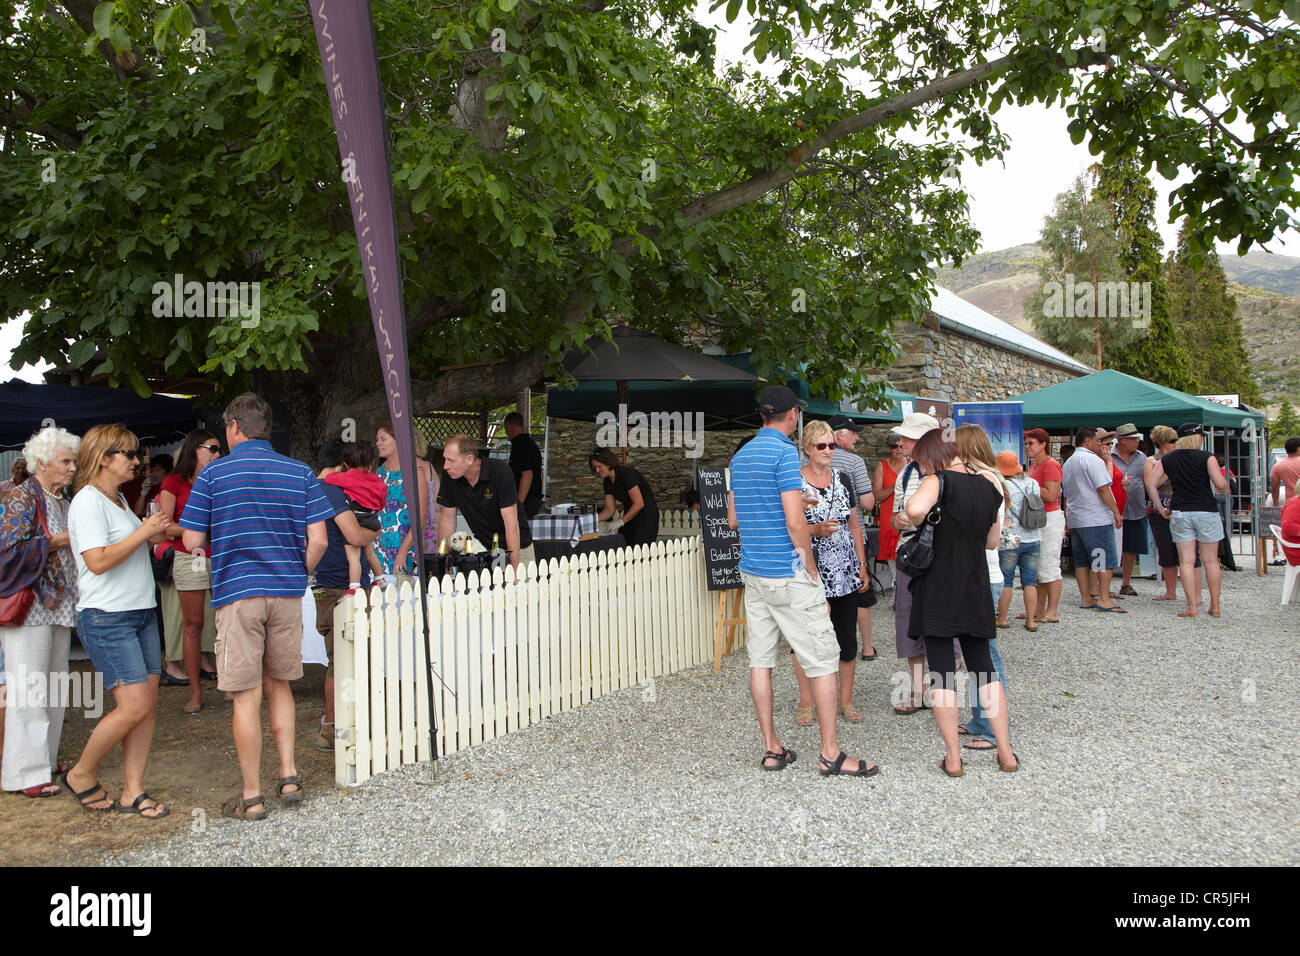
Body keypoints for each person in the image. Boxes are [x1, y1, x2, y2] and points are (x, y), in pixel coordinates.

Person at [180, 393, 332, 821]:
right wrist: (294, 572)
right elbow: (318, 540)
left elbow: (191, 541)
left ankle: (252, 796)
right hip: (286, 592)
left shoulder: (213, 476)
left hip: (238, 594)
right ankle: (289, 777)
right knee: (279, 684)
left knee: (245, 698)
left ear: (234, 428)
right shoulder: (299, 471)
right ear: (266, 428)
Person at [730, 387, 877, 776]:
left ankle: (772, 748)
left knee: (760, 662)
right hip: (788, 572)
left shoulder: (742, 454)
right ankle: (831, 753)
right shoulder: (783, 454)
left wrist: (795, 506)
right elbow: (796, 526)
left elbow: (735, 518)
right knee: (824, 660)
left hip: (753, 572)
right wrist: (810, 566)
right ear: (792, 415)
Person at [63, 424, 173, 818]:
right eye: (127, 454)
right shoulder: (87, 501)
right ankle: (81, 773)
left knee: (146, 706)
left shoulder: (117, 499)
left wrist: (159, 531)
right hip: (107, 616)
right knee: (134, 706)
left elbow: (127, 544)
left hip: (141, 611)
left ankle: (133, 790)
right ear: (104, 458)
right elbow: (98, 561)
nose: (135, 461)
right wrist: (144, 531)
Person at [904, 428, 1018, 776]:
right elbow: (991, 541)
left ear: (935, 456)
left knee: (942, 673)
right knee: (984, 668)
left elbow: (913, 510)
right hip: (975, 583)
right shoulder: (990, 484)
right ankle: (1006, 752)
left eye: (922, 463)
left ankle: (953, 758)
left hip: (939, 584)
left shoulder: (938, 481)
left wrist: (928, 513)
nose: (921, 470)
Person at [0, 427, 80, 798]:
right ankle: (24, 774)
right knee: (28, 689)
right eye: (66, 461)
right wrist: (61, 540)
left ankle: (45, 762)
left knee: (54, 686)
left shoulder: (62, 500)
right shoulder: (21, 498)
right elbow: (7, 552)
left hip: (58, 604)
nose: (72, 468)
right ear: (42, 463)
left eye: (73, 461)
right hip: (29, 606)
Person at [788, 420, 870, 726]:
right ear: (807, 448)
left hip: (845, 571)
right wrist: (814, 529)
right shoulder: (794, 482)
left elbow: (853, 524)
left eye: (831, 445)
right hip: (809, 569)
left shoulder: (843, 479)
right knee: (805, 639)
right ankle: (806, 702)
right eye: (821, 446)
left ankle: (845, 700)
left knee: (847, 639)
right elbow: (789, 527)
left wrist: (862, 565)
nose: (827, 451)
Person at [312, 441, 384, 752]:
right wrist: (375, 532)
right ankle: (332, 726)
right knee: (340, 661)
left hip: (333, 583)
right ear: (342, 465)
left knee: (346, 658)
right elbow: (356, 536)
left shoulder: (318, 488)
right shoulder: (331, 491)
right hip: (340, 585)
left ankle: (346, 721)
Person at [952, 427, 1016, 755]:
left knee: (986, 655)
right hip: (981, 573)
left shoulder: (986, 481)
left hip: (984, 573)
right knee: (978, 652)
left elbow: (990, 538)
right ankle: (980, 720)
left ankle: (992, 728)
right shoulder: (988, 479)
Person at [156, 430, 221, 714]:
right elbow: (164, 525)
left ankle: (230, 684)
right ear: (196, 449)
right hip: (190, 555)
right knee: (193, 625)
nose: (218, 454)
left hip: (220, 556)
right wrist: (197, 530)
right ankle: (195, 692)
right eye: (213, 448)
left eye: (219, 449)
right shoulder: (174, 481)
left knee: (227, 621)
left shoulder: (219, 478)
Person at [1144, 423, 1229, 618]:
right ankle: (1215, 606)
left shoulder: (1168, 459)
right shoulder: (1207, 457)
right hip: (1206, 511)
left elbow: (1151, 483)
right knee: (1210, 561)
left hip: (1180, 511)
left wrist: (1160, 507)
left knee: (1186, 561)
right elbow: (1220, 484)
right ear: (1196, 437)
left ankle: (1192, 607)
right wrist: (1222, 488)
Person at [889, 411, 940, 714]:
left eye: (907, 437)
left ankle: (940, 688)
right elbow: (896, 516)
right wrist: (898, 520)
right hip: (910, 556)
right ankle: (918, 690)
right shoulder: (905, 474)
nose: (901, 441)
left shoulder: (949, 473)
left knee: (942, 623)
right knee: (909, 623)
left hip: (940, 559)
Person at [438, 434, 535, 570]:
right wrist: (443, 564)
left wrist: (513, 568)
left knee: (518, 589)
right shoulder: (450, 477)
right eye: (445, 459)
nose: (445, 466)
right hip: (483, 548)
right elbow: (447, 519)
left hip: (516, 547)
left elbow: (511, 523)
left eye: (451, 460)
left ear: (469, 459)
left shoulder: (499, 471)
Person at [826, 414, 876, 661]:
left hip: (817, 541)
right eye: (852, 432)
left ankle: (827, 646)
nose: (857, 436)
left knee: (824, 594)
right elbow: (868, 502)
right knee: (860, 594)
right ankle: (867, 648)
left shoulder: (804, 460)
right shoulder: (855, 462)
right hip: (850, 536)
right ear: (839, 435)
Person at [1061, 425, 1125, 612]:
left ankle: (1086, 598)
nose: (1100, 445)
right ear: (1087, 441)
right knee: (1102, 559)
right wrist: (1115, 511)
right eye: (1098, 441)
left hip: (1076, 516)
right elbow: (1103, 488)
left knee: (1081, 561)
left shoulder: (1069, 462)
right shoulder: (1092, 460)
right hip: (1095, 517)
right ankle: (1104, 598)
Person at [321, 443, 386, 590]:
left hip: (358, 518)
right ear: (372, 463)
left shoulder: (347, 478)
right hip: (371, 518)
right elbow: (382, 500)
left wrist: (338, 471)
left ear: (345, 464)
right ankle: (380, 579)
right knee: (370, 553)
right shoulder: (377, 481)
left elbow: (329, 479)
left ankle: (354, 587)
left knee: (353, 557)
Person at [374, 421, 429, 580]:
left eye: (383, 439)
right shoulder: (379, 473)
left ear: (399, 440)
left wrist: (403, 551)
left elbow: (421, 518)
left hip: (404, 545)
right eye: (377, 439)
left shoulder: (414, 473)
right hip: (377, 547)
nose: (378, 443)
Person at [993, 450, 1041, 630]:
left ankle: (1003, 618)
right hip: (1033, 535)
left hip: (1010, 536)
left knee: (1006, 579)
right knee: (1030, 581)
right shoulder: (1033, 483)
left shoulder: (1001, 485)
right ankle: (1031, 620)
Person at [1024, 429, 1064, 623]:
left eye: (1031, 443)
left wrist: (1028, 485)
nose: (1027, 447)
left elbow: (1051, 494)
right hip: (1038, 518)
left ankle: (1052, 610)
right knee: (1039, 566)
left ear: (1043, 444)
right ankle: (1038, 608)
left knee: (1050, 564)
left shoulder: (1050, 465)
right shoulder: (1034, 466)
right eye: (1026, 443)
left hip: (1050, 517)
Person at [589, 447, 660, 546]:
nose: (597, 470)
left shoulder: (627, 474)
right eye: (594, 468)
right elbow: (610, 509)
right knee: (624, 545)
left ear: (608, 463)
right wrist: (589, 520)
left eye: (599, 466)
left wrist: (620, 522)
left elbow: (639, 503)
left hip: (646, 515)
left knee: (639, 549)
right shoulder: (607, 481)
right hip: (630, 515)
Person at [1144, 426, 1183, 602]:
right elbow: (1151, 484)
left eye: (1177, 440)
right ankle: (1170, 591)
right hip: (1158, 510)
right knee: (1166, 551)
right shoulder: (1151, 461)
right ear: (1161, 443)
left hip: (1180, 508)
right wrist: (1166, 469)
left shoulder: (1180, 458)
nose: (1176, 444)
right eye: (1172, 441)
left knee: (1186, 551)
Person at [1111, 423, 1149, 596]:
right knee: (1111, 546)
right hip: (1113, 510)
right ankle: (1104, 585)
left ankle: (1126, 583)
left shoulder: (1142, 458)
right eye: (1134, 439)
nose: (1137, 442)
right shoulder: (1107, 457)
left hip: (1136, 509)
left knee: (1131, 548)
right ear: (1122, 441)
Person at [872, 433, 907, 596]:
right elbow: (877, 496)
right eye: (895, 446)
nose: (899, 450)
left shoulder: (912, 464)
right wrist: (895, 487)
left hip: (907, 515)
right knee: (892, 554)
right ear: (889, 448)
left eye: (901, 446)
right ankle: (896, 587)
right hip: (888, 516)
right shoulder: (882, 466)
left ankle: (904, 589)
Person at [504, 411, 544, 518]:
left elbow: (527, 474)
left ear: (509, 426)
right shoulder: (529, 443)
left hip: (527, 500)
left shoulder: (520, 445)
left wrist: (519, 504)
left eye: (505, 428)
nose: (506, 432)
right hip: (532, 498)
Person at [1269, 437, 1300, 566]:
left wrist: (1276, 503)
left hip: (1290, 502)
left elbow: (1274, 487)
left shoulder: (1278, 466)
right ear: (1298, 449)